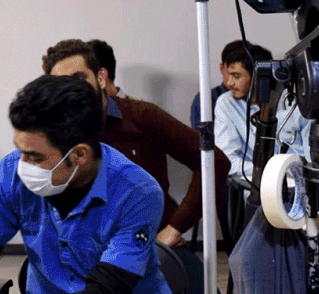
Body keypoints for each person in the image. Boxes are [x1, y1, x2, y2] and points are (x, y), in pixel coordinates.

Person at [0, 75, 170, 294]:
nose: (22, 165)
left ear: (79, 155)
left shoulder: (138, 192)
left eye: (36, 157)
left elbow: (109, 286)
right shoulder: (11, 171)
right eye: (21, 150)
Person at [44, 39, 229, 294]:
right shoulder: (55, 135)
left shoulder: (142, 116)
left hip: (155, 246)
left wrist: (174, 228)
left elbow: (215, 161)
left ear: (101, 78)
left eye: (79, 79)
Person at [212, 42, 310, 182]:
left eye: (236, 76)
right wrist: (274, 173)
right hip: (258, 183)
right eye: (229, 75)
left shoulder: (293, 100)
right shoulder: (227, 104)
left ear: (257, 76)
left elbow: (311, 155)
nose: (229, 83)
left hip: (299, 181)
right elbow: (228, 160)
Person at [189, 40, 246, 129]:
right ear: (222, 68)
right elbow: (200, 135)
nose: (234, 80)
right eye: (232, 72)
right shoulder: (206, 99)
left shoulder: (256, 99)